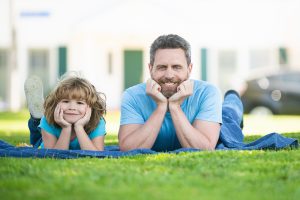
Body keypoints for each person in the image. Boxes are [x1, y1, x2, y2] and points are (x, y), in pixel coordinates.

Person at [118, 34, 243, 152]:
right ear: (150, 69)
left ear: (189, 69)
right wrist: (161, 107)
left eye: (177, 67)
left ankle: (233, 97)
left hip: (222, 123)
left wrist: (175, 106)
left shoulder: (207, 92)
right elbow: (129, 149)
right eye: (162, 67)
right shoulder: (132, 96)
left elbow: (203, 148)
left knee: (229, 111)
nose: (169, 75)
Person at [24, 73, 106, 151]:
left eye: (80, 103)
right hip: (47, 142)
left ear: (91, 107)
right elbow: (54, 155)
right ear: (56, 103)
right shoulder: (47, 120)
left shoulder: (97, 122)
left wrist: (79, 127)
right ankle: (36, 117)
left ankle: (37, 117)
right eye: (66, 101)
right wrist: (66, 128)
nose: (72, 107)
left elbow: (96, 153)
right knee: (36, 144)